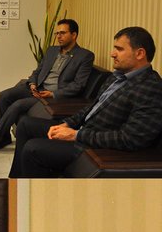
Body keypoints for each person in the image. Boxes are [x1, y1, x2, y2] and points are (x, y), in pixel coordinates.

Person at [9, 26, 162, 178]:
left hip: (97, 146)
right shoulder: (117, 77)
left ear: (140, 53)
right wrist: (67, 124)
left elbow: (131, 139)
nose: (112, 54)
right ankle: (16, 181)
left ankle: (35, 191)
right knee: (25, 124)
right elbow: (92, 107)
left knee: (33, 149)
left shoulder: (150, 88)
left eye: (119, 49)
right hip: (83, 131)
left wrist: (77, 135)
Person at [0, 19, 94, 152]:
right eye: (57, 33)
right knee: (5, 95)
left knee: (18, 105)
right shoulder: (52, 51)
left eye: (62, 33)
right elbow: (38, 71)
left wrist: (53, 94)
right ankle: (3, 137)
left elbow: (78, 85)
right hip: (37, 88)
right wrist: (32, 83)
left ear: (74, 35)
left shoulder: (85, 56)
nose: (58, 36)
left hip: (51, 97)